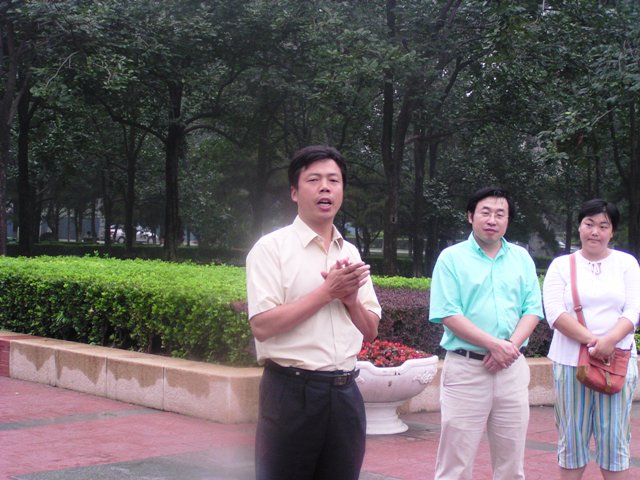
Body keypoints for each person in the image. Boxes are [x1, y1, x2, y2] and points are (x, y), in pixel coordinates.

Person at [245, 145, 381, 480]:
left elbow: (370, 330)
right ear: (294, 192)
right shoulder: (271, 249)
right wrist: (326, 293)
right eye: (314, 180)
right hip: (291, 393)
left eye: (333, 180)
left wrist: (350, 301)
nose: (325, 188)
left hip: (345, 394)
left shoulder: (351, 253)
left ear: (342, 191)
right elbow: (262, 326)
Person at [428, 186, 543, 480]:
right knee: (455, 464)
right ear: (471, 216)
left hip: (511, 370)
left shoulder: (521, 258)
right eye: (486, 212)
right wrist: (495, 345)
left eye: (500, 214)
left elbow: (532, 309)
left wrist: (508, 347)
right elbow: (448, 313)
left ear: (508, 220)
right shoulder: (451, 258)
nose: (492, 220)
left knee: (511, 464)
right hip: (466, 370)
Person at [542, 199, 640, 479]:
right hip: (570, 363)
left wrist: (611, 340)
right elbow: (555, 313)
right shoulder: (561, 265)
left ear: (612, 231)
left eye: (603, 226)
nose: (595, 231)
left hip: (617, 363)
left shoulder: (626, 263)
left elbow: (633, 311)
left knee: (614, 440)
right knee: (572, 438)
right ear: (579, 226)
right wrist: (596, 342)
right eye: (589, 224)